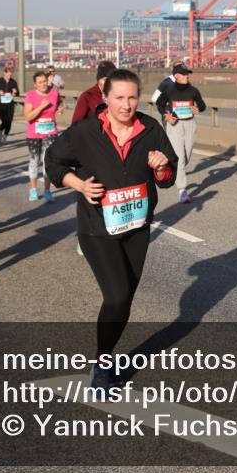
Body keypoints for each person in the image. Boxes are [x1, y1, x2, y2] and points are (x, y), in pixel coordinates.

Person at [45, 69, 177, 390]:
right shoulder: (86, 131)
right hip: (97, 227)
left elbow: (169, 174)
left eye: (132, 97)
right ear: (105, 97)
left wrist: (161, 167)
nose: (126, 104)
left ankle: (105, 354)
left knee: (124, 299)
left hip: (136, 226)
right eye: (119, 97)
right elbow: (53, 161)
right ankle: (103, 364)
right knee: (117, 296)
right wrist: (79, 185)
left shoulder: (150, 129)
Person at [155, 63, 206, 203]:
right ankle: (182, 190)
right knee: (180, 158)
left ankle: (176, 168)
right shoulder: (169, 90)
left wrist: (198, 109)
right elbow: (159, 103)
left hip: (190, 124)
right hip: (175, 125)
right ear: (176, 76)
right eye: (184, 74)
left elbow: (202, 105)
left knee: (187, 155)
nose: (187, 76)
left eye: (187, 74)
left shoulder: (193, 91)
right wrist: (166, 115)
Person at [24, 70, 62, 202]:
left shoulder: (54, 93)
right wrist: (40, 107)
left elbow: (58, 103)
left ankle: (47, 190)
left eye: (44, 81)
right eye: (40, 82)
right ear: (35, 84)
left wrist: (59, 108)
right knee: (34, 161)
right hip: (34, 134)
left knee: (48, 162)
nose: (43, 84)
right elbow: (28, 117)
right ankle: (33, 189)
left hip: (50, 132)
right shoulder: (30, 95)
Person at [0, 65, 19, 144]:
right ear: (4, 73)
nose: (9, 76)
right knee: (4, 120)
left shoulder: (13, 82)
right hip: (1, 103)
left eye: (10, 75)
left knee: (10, 121)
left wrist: (15, 92)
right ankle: (0, 132)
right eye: (8, 75)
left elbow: (18, 93)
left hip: (10, 103)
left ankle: (5, 135)